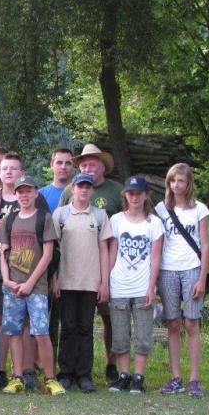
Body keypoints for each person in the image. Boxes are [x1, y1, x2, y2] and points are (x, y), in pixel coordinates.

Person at [0, 153, 48, 387]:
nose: (7, 171)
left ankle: (27, 370)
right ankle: (1, 369)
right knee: (3, 319)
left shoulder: (34, 200)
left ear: (21, 172)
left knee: (28, 322)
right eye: (3, 168)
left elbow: (46, 240)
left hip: (29, 270)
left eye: (13, 168)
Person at [59, 143, 124, 383]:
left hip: (103, 269)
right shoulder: (67, 196)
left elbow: (116, 234)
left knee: (104, 320)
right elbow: (57, 236)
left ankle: (108, 365)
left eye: (92, 164)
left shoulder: (116, 192)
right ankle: (67, 371)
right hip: (70, 273)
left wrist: (106, 278)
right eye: (83, 165)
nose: (88, 168)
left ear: (102, 166)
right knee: (69, 324)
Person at [0, 176, 65, 395]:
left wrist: (29, 283)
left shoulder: (44, 218)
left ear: (36, 193)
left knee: (40, 332)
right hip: (12, 287)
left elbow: (47, 255)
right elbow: (4, 253)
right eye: (20, 192)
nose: (24, 196)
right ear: (15, 195)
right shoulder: (9, 220)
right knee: (14, 331)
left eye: (28, 191)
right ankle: (16, 376)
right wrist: (7, 280)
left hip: (36, 287)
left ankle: (50, 378)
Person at [51, 173, 112, 392]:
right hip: (66, 281)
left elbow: (104, 250)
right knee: (67, 328)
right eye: (80, 186)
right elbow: (53, 250)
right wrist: (54, 278)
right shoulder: (60, 214)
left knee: (86, 329)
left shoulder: (99, 215)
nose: (84, 190)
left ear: (92, 190)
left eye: (88, 186)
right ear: (73, 189)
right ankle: (65, 373)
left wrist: (104, 282)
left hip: (90, 282)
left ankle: (84, 375)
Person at [155, 164, 209, 397]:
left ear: (188, 184)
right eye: (172, 181)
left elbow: (205, 245)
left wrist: (202, 277)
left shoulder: (200, 210)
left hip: (191, 268)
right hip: (168, 269)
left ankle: (194, 379)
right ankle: (176, 376)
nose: (176, 185)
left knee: (191, 323)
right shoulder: (161, 209)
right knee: (173, 323)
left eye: (180, 181)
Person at [107, 176, 164, 394]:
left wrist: (152, 287)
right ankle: (124, 374)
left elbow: (156, 257)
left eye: (138, 193)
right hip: (119, 283)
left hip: (143, 285)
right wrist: (107, 280)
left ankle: (139, 376)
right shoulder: (117, 220)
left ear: (146, 195)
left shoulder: (154, 223)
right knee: (120, 333)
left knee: (143, 333)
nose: (134, 197)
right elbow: (113, 251)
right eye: (131, 193)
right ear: (125, 195)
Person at [39, 148, 74, 213]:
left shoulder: (83, 192)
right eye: (59, 163)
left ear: (73, 166)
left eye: (68, 163)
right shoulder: (40, 195)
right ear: (51, 165)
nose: (63, 167)